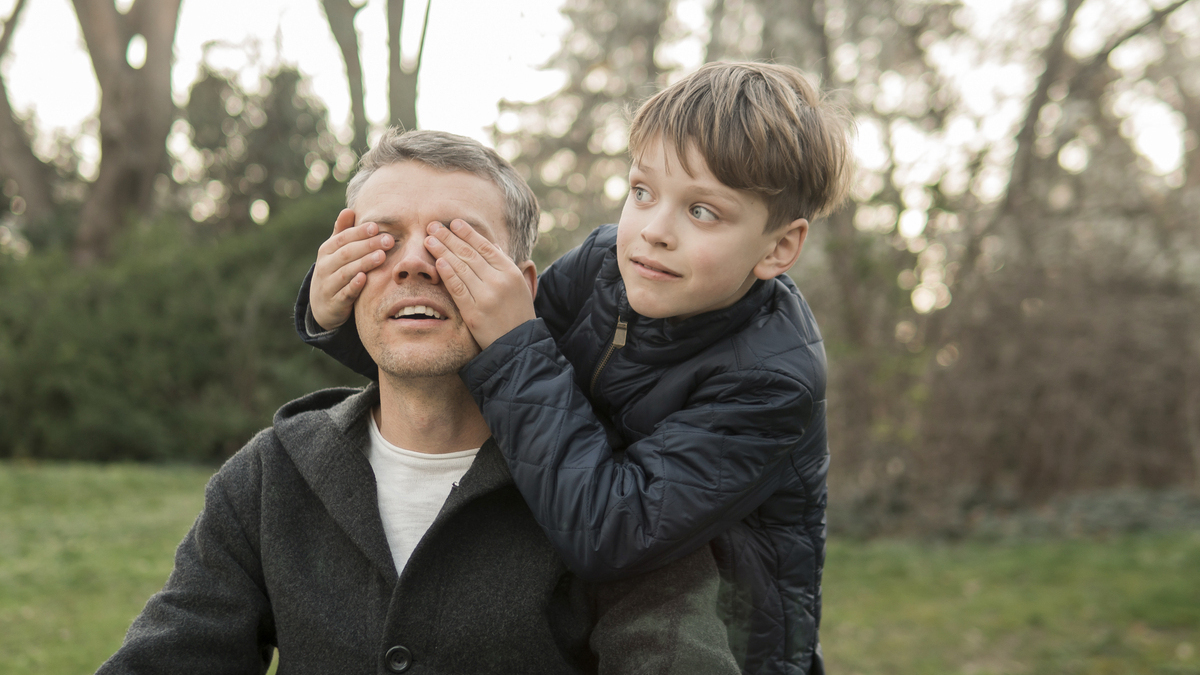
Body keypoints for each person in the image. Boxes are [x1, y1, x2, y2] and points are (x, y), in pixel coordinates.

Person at [96, 130, 740, 675]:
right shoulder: (270, 478)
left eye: (455, 240)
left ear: (521, 288)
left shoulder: (617, 496)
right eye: (381, 238)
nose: (414, 264)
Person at [298, 62, 852, 674]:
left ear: (778, 247)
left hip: (717, 641)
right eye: (643, 192)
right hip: (592, 610)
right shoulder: (603, 266)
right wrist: (336, 315)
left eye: (702, 212)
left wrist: (513, 340)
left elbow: (613, 530)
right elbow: (475, 370)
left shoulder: (772, 382)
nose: (653, 232)